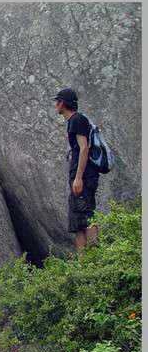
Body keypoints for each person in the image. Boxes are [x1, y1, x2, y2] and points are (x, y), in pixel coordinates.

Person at [53, 87, 100, 251]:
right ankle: (84, 265)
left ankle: (95, 258)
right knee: (77, 222)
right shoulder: (74, 121)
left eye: (57, 102)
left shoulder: (77, 120)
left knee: (86, 215)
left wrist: (79, 177)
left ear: (63, 104)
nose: (56, 105)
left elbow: (84, 148)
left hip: (84, 177)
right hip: (81, 177)